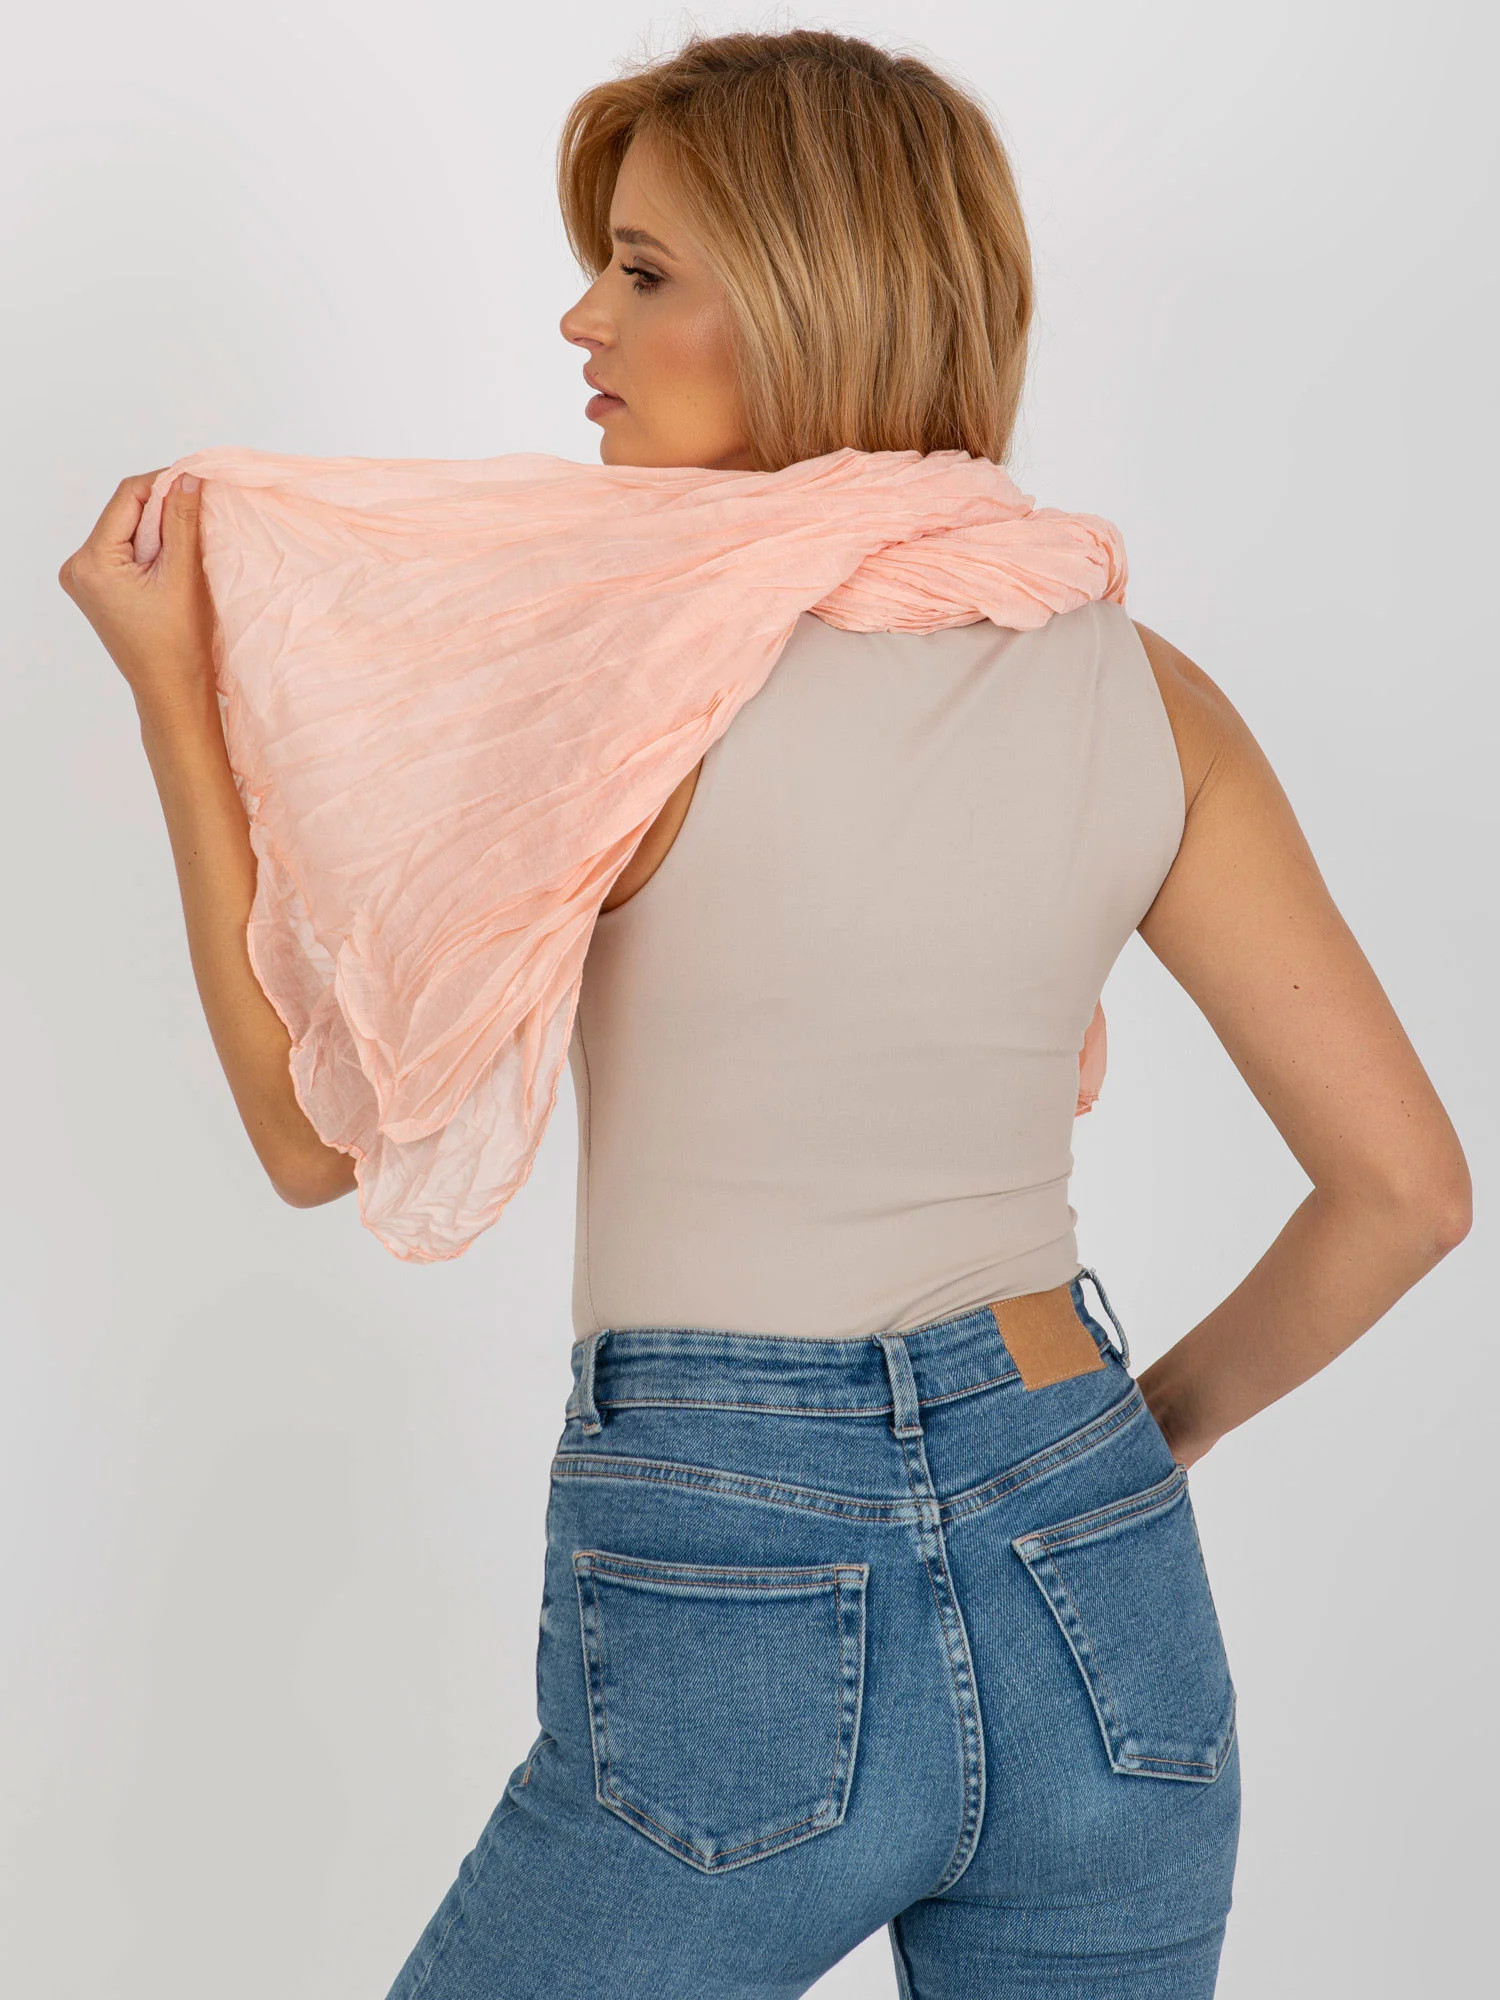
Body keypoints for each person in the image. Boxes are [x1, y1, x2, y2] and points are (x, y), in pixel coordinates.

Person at [58, 28, 1470, 2000]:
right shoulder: (1146, 690)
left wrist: (170, 690)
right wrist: (1124, 1446)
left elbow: (313, 1135)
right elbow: (1404, 1192)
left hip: (739, 1576)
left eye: (645, 270)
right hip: (1101, 1574)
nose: (584, 316)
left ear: (814, 303)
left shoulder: (623, 687)